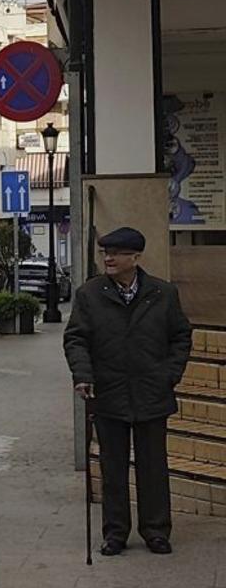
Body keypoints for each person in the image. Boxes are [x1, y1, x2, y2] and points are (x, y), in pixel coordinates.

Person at [64, 226, 192, 556]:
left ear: (135, 257)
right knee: (113, 468)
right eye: (105, 253)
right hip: (108, 392)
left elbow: (181, 336)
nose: (108, 258)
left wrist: (169, 375)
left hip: (152, 392)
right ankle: (115, 533)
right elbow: (76, 339)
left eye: (116, 253)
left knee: (153, 467)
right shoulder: (90, 294)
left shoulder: (163, 293)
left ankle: (156, 530)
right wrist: (83, 375)